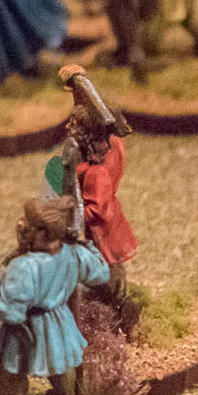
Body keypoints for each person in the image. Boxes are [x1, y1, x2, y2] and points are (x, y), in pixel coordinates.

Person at [0, 197, 111, 395]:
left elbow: (12, 313)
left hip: (23, 331)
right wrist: (84, 245)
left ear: (43, 233)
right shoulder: (73, 253)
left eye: (28, 222)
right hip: (60, 325)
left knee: (11, 373)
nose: (21, 224)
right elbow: (101, 273)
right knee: (61, 365)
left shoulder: (23, 267)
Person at [59, 68, 137, 298]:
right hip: (107, 217)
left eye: (75, 125)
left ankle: (113, 298)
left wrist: (74, 211)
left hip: (102, 229)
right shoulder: (110, 146)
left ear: (88, 131)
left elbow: (98, 211)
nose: (69, 127)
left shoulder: (96, 173)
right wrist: (79, 88)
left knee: (107, 264)